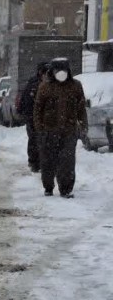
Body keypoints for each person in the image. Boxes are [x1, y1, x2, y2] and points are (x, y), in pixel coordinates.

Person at [33, 58, 88, 198]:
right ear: (53, 72)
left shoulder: (75, 86)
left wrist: (82, 125)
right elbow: (38, 109)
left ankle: (66, 189)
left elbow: (81, 107)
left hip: (69, 131)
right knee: (47, 161)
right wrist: (39, 128)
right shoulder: (45, 87)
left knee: (67, 162)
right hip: (48, 130)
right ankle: (48, 187)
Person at [16, 61, 50, 172]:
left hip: (44, 118)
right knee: (34, 140)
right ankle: (34, 162)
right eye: (45, 73)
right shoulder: (34, 85)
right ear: (41, 73)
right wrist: (27, 115)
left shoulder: (49, 84)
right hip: (32, 118)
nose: (47, 75)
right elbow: (27, 102)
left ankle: (42, 161)